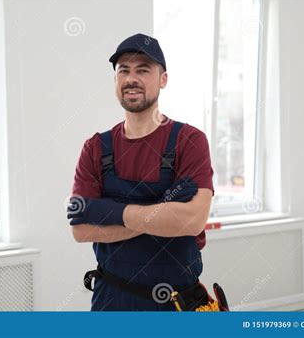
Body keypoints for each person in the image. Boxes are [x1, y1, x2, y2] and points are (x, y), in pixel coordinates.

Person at [67, 33, 214, 311]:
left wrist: (105, 211)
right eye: (124, 70)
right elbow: (82, 229)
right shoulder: (96, 148)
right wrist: (161, 211)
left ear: (163, 79)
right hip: (111, 299)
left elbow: (192, 221)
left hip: (176, 303)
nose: (131, 78)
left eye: (143, 70)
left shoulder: (190, 141)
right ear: (115, 81)